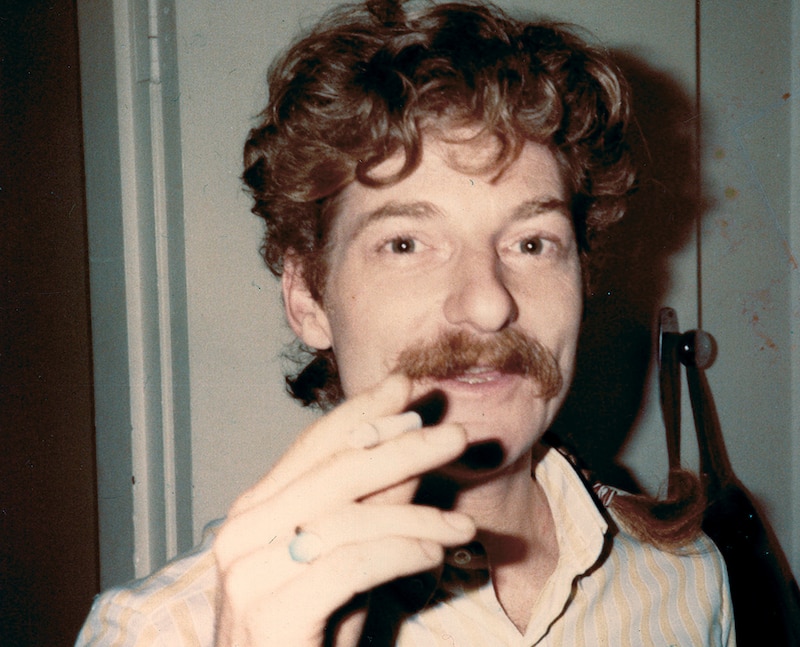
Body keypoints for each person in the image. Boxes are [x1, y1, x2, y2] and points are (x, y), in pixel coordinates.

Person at [77, 1, 735, 644]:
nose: (488, 303)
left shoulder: (683, 579)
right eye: (406, 244)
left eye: (532, 243)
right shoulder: (163, 630)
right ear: (308, 296)